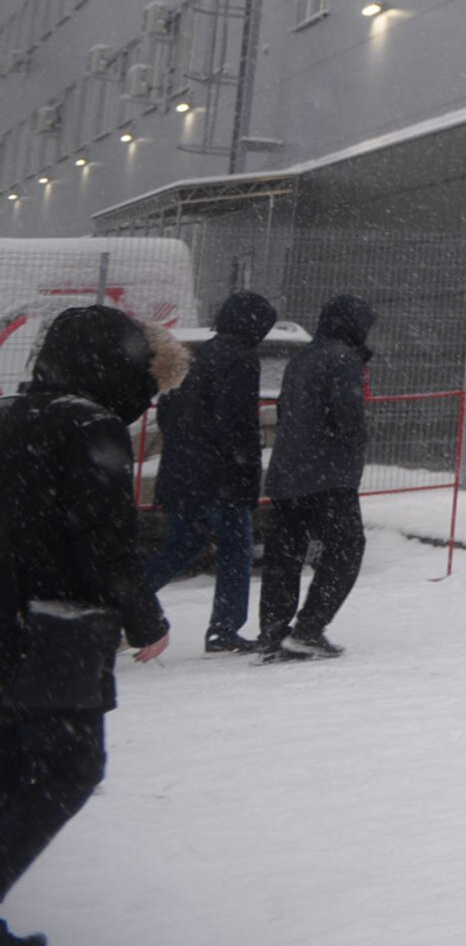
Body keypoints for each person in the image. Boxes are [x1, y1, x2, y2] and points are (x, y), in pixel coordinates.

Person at [0, 305, 183, 938]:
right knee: (66, 768)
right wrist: (145, 616)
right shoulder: (91, 427)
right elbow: (104, 542)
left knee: (10, 769)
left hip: (9, 618)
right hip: (54, 629)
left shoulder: (6, 413)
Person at [143, 289, 274, 655]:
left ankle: (121, 602)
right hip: (221, 477)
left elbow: (168, 412)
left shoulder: (198, 357)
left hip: (181, 472)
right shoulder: (243, 359)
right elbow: (237, 423)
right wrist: (245, 475)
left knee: (184, 543)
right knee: (235, 550)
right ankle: (224, 629)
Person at [257, 294, 374, 660]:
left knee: (285, 554)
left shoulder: (302, 357)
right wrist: (357, 441)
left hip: (288, 471)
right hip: (327, 474)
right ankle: (309, 628)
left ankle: (273, 631)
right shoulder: (343, 358)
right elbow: (347, 415)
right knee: (347, 548)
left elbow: (283, 410)